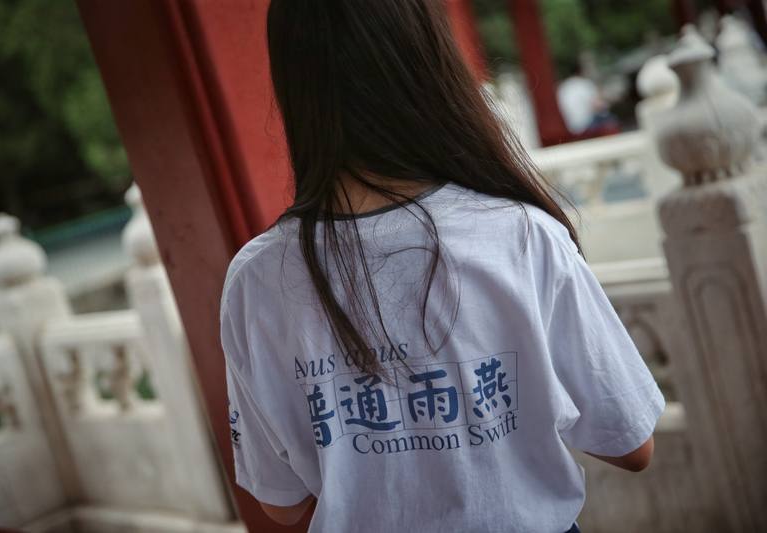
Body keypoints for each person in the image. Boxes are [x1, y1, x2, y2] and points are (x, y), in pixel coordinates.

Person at [219, 2, 665, 532]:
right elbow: (631, 444)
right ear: (429, 67)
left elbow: (282, 502)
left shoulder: (256, 278)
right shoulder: (520, 235)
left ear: (294, 84)